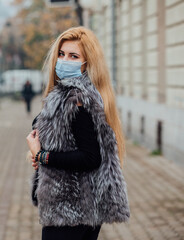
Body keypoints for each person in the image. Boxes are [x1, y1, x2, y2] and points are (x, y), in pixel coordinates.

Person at [26, 26, 130, 240]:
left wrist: (42, 156)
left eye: (73, 56)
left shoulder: (77, 100)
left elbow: (90, 157)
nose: (64, 60)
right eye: (61, 54)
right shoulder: (78, 95)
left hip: (70, 209)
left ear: (87, 64)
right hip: (80, 209)